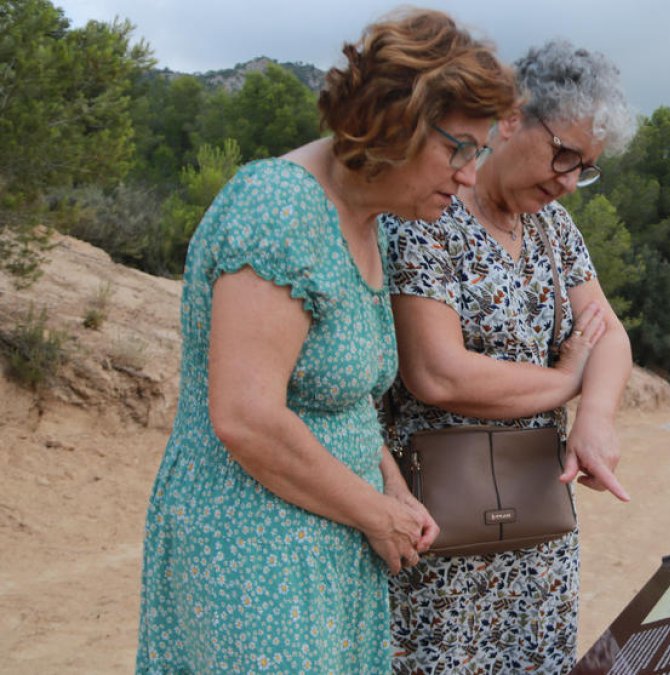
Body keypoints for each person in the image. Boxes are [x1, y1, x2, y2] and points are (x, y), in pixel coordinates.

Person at [135, 9, 517, 672]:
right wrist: (377, 511)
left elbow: (340, 399)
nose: (467, 174)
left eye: (477, 153)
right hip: (251, 555)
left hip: (327, 538)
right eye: (459, 147)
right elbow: (246, 416)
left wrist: (392, 488)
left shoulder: (370, 223)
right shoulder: (279, 209)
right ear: (396, 120)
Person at [381, 40, 637, 673]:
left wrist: (596, 419)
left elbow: (610, 334)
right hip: (437, 536)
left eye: (586, 167)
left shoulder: (553, 229)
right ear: (514, 116)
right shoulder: (424, 210)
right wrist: (562, 383)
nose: (570, 182)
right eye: (564, 155)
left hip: (537, 541)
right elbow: (438, 373)